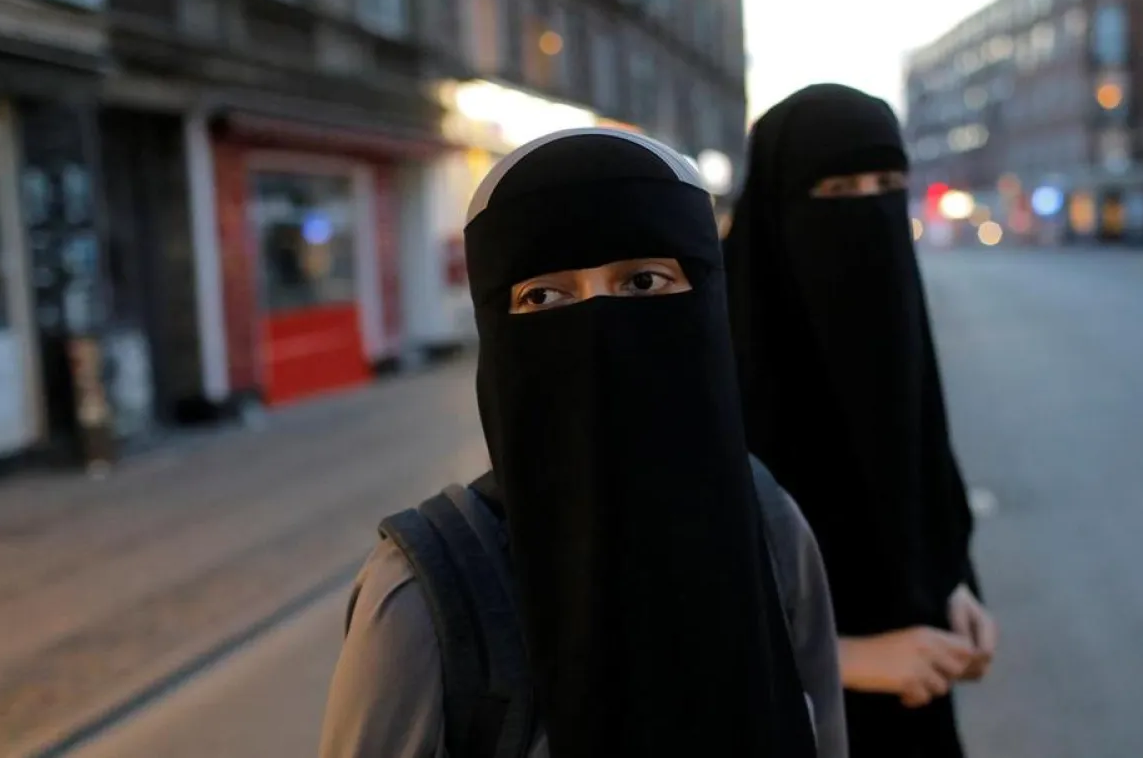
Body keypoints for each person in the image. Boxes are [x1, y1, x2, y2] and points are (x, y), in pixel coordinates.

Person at [319, 128, 844, 758]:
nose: (598, 330)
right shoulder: (424, 599)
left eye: (644, 283)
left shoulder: (770, 525)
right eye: (543, 296)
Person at [723, 83, 998, 758]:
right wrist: (846, 657)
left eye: (887, 184)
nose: (868, 210)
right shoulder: (711, 360)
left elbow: (923, 461)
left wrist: (951, 579)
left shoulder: (895, 320)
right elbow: (674, 596)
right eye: (839, 188)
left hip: (920, 694)